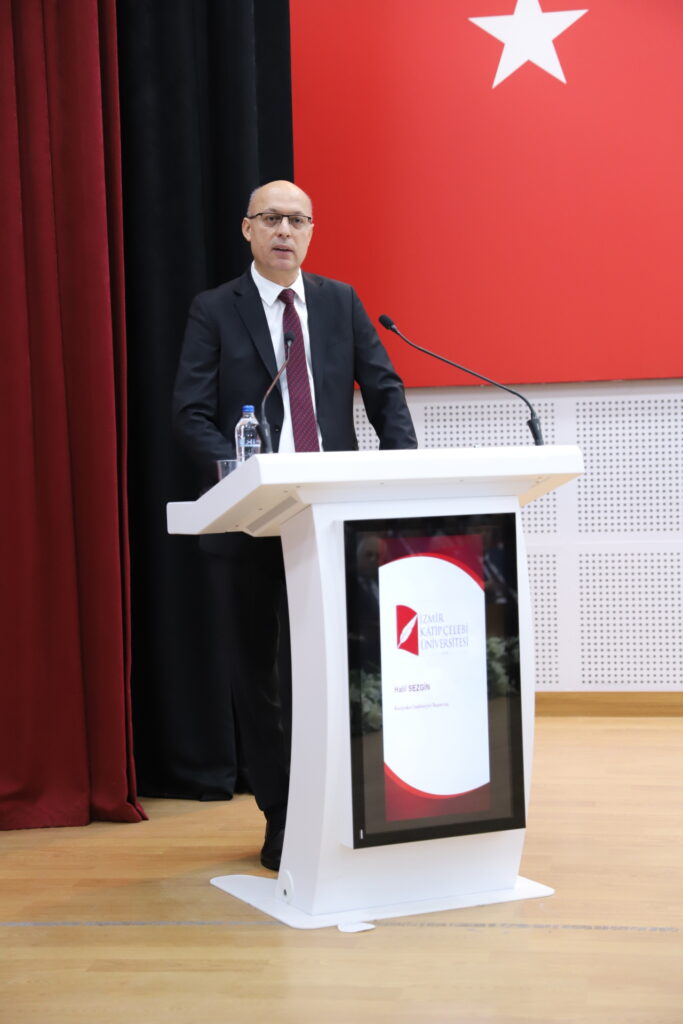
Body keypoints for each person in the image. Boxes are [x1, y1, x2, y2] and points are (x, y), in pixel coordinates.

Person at [173, 180, 417, 871]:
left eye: (298, 220)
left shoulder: (340, 302)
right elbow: (190, 412)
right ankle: (281, 817)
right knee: (259, 678)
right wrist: (239, 473)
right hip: (251, 519)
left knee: (339, 669)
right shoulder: (215, 309)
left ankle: (347, 805)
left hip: (333, 516)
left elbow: (384, 390)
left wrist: (401, 474)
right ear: (247, 229)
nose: (285, 230)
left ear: (311, 232)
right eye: (272, 218)